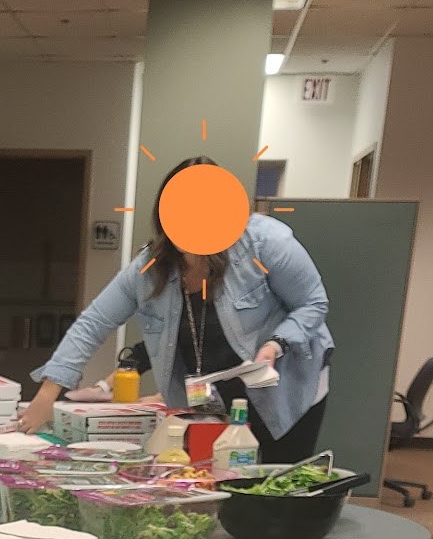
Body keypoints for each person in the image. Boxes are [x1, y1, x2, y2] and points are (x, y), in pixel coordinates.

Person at [19, 158, 333, 463]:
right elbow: (93, 323)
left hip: (286, 385)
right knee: (214, 480)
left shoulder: (266, 242)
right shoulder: (149, 268)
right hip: (214, 397)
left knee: (278, 483)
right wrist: (46, 396)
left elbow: (313, 302)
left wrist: (276, 343)